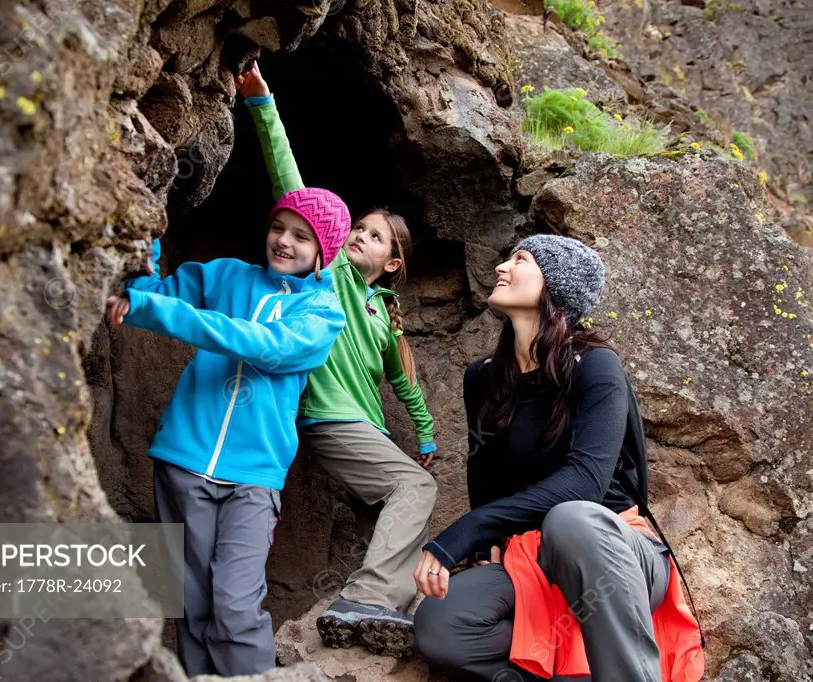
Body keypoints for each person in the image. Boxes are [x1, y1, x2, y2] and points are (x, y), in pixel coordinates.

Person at [412, 235, 703, 681]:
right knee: (440, 623)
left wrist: (463, 533)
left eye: (520, 259)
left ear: (555, 286)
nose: (501, 268)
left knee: (572, 519)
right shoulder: (484, 377)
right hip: (532, 557)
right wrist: (483, 549)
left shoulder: (596, 365)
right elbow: (484, 474)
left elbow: (586, 483)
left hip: (614, 552)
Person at [104, 179, 352, 676]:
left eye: (302, 237)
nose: (284, 241)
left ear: (324, 252)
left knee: (236, 606)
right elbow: (149, 292)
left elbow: (263, 344)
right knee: (192, 603)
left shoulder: (322, 314)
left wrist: (156, 309)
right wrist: (147, 229)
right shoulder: (225, 277)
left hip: (254, 477)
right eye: (278, 228)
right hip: (183, 460)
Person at [236, 63, 438, 658]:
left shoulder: (383, 314)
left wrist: (424, 432)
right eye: (360, 229)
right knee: (415, 488)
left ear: (394, 262)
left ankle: (374, 611)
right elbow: (290, 183)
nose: (361, 237)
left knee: (406, 505)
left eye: (377, 237)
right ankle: (369, 597)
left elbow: (404, 384)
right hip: (330, 421)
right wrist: (263, 106)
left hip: (366, 429)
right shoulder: (332, 281)